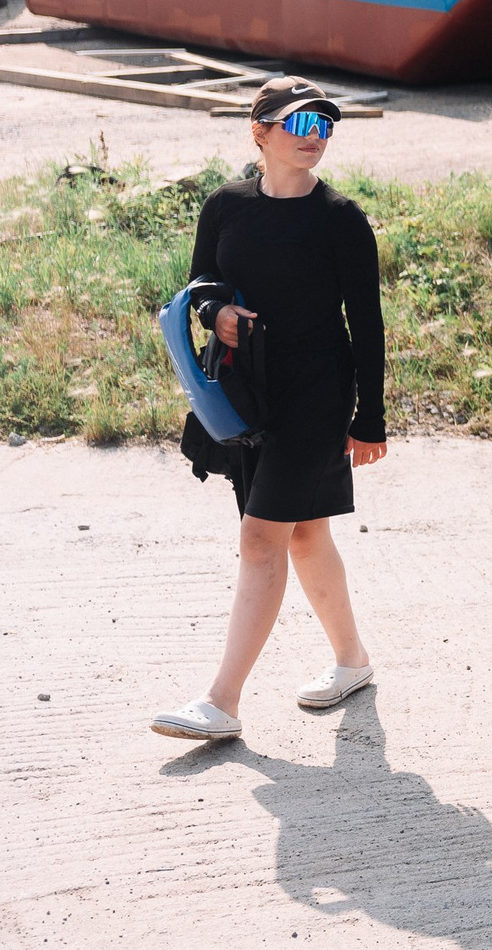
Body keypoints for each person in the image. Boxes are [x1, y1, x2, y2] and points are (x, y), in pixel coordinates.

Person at [153, 78, 389, 743]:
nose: (316, 138)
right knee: (305, 533)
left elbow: (367, 324)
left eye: (325, 126)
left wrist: (370, 418)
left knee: (261, 538)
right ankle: (353, 660)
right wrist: (216, 312)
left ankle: (221, 701)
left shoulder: (342, 219)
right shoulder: (225, 205)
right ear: (259, 131)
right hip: (248, 392)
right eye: (301, 124)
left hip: (318, 394)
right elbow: (201, 285)